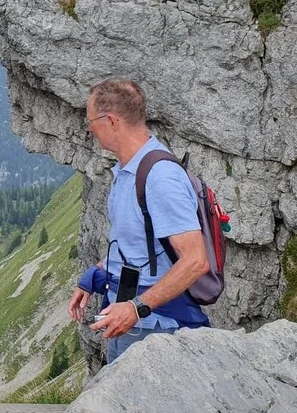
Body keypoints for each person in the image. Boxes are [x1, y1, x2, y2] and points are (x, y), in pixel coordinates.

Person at [68, 78, 210, 364]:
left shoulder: (160, 177)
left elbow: (195, 260)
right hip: (129, 315)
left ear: (111, 121)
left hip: (156, 326)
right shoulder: (126, 171)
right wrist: (94, 277)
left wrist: (136, 308)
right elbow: (133, 247)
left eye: (91, 121)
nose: (89, 129)